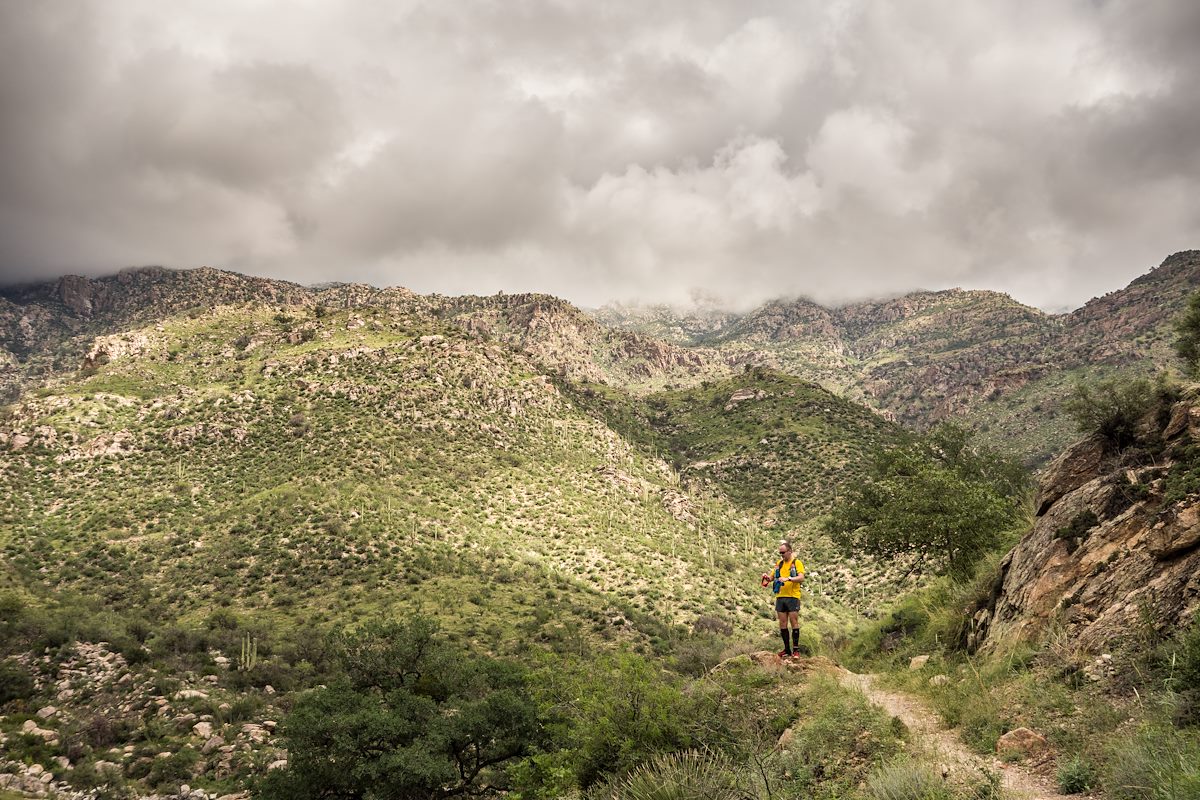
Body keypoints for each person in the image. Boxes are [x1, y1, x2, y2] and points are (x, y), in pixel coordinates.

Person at [762, 539, 805, 658]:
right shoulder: (779, 564)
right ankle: (787, 650)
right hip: (780, 596)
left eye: (783, 552)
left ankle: (796, 650)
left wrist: (789, 579)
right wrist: (766, 577)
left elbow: (801, 577)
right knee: (782, 624)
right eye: (780, 553)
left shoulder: (797, 563)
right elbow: (771, 578)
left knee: (794, 622)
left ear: (790, 551)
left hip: (793, 596)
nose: (781, 555)